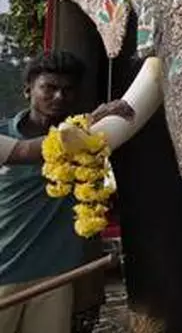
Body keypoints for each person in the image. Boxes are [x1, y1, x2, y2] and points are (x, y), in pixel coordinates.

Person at [0, 52, 93, 333]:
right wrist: (91, 123)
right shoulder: (5, 136)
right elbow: (28, 151)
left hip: (56, 276)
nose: (58, 97)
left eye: (67, 90)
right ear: (28, 89)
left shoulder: (92, 143)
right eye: (48, 88)